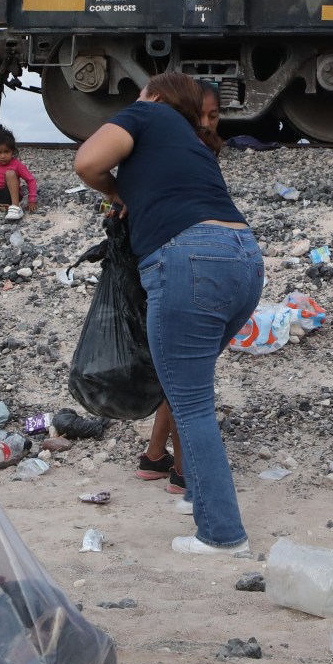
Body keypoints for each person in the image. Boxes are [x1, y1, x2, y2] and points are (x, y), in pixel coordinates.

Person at [74, 72, 262, 557]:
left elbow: (88, 162)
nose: (135, 100)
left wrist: (118, 194)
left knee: (190, 400)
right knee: (188, 392)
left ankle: (222, 534)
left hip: (189, 261)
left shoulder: (149, 113)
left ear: (156, 96)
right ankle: (200, 495)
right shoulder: (192, 144)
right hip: (244, 259)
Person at [134, 83, 223, 497]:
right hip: (177, 264)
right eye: (199, 116)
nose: (206, 125)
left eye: (214, 116)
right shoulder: (173, 148)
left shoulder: (189, 148)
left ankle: (155, 455)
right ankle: (184, 472)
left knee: (179, 371)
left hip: (167, 262)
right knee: (189, 375)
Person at [0, 124, 38, 221]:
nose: (3, 156)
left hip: (11, 196)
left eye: (6, 152)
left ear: (12, 151)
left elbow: (30, 180)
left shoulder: (16, 164)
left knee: (10, 173)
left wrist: (32, 200)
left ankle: (15, 208)